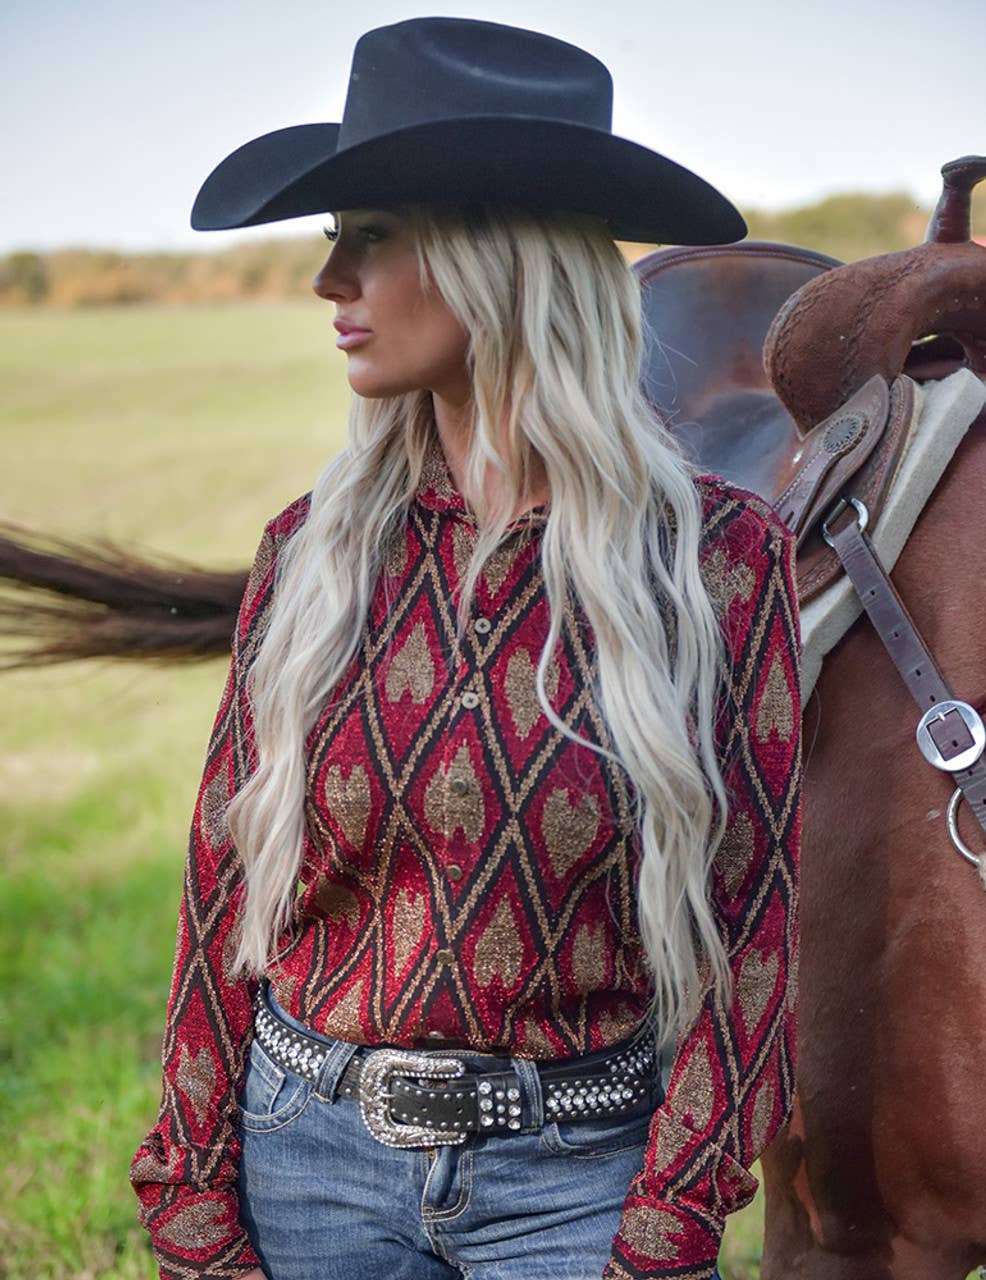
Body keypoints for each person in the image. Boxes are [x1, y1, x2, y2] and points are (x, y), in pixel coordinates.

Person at [129, 17, 801, 1280]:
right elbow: (227, 880)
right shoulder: (312, 554)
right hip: (305, 1160)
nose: (329, 281)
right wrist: (188, 1192)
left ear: (495, 257)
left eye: (368, 236)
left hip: (580, 1184)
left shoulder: (718, 562)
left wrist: (666, 1224)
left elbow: (750, 920)